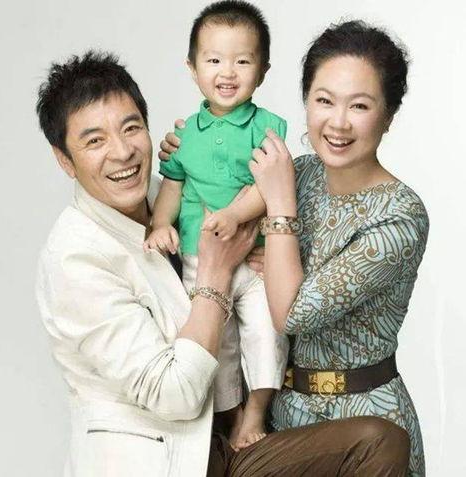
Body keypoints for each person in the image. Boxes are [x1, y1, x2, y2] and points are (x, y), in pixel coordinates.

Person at [36, 50, 412, 476]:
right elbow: (174, 396)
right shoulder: (75, 257)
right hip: (165, 463)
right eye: (94, 141)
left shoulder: (172, 196)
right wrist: (214, 274)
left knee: (378, 441)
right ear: (64, 159)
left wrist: (265, 252)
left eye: (131, 128)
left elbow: (244, 203)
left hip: (231, 441)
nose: (122, 152)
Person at [160, 20, 428, 477]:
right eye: (324, 100)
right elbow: (211, 206)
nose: (338, 122)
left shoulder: (400, 214)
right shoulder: (296, 171)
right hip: (279, 423)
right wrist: (187, 148)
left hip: (369, 425)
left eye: (359, 105)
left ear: (388, 114)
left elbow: (293, 314)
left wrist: (280, 210)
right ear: (306, 102)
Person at [144, 0, 288, 449]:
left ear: (263, 71)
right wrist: (160, 223)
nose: (227, 72)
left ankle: (257, 411)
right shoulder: (185, 134)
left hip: (254, 259)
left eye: (242, 61)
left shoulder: (267, 126)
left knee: (266, 332)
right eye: (213, 61)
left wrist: (235, 215)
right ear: (192, 68)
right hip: (198, 255)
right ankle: (232, 417)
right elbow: (173, 183)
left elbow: (270, 184)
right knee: (215, 345)